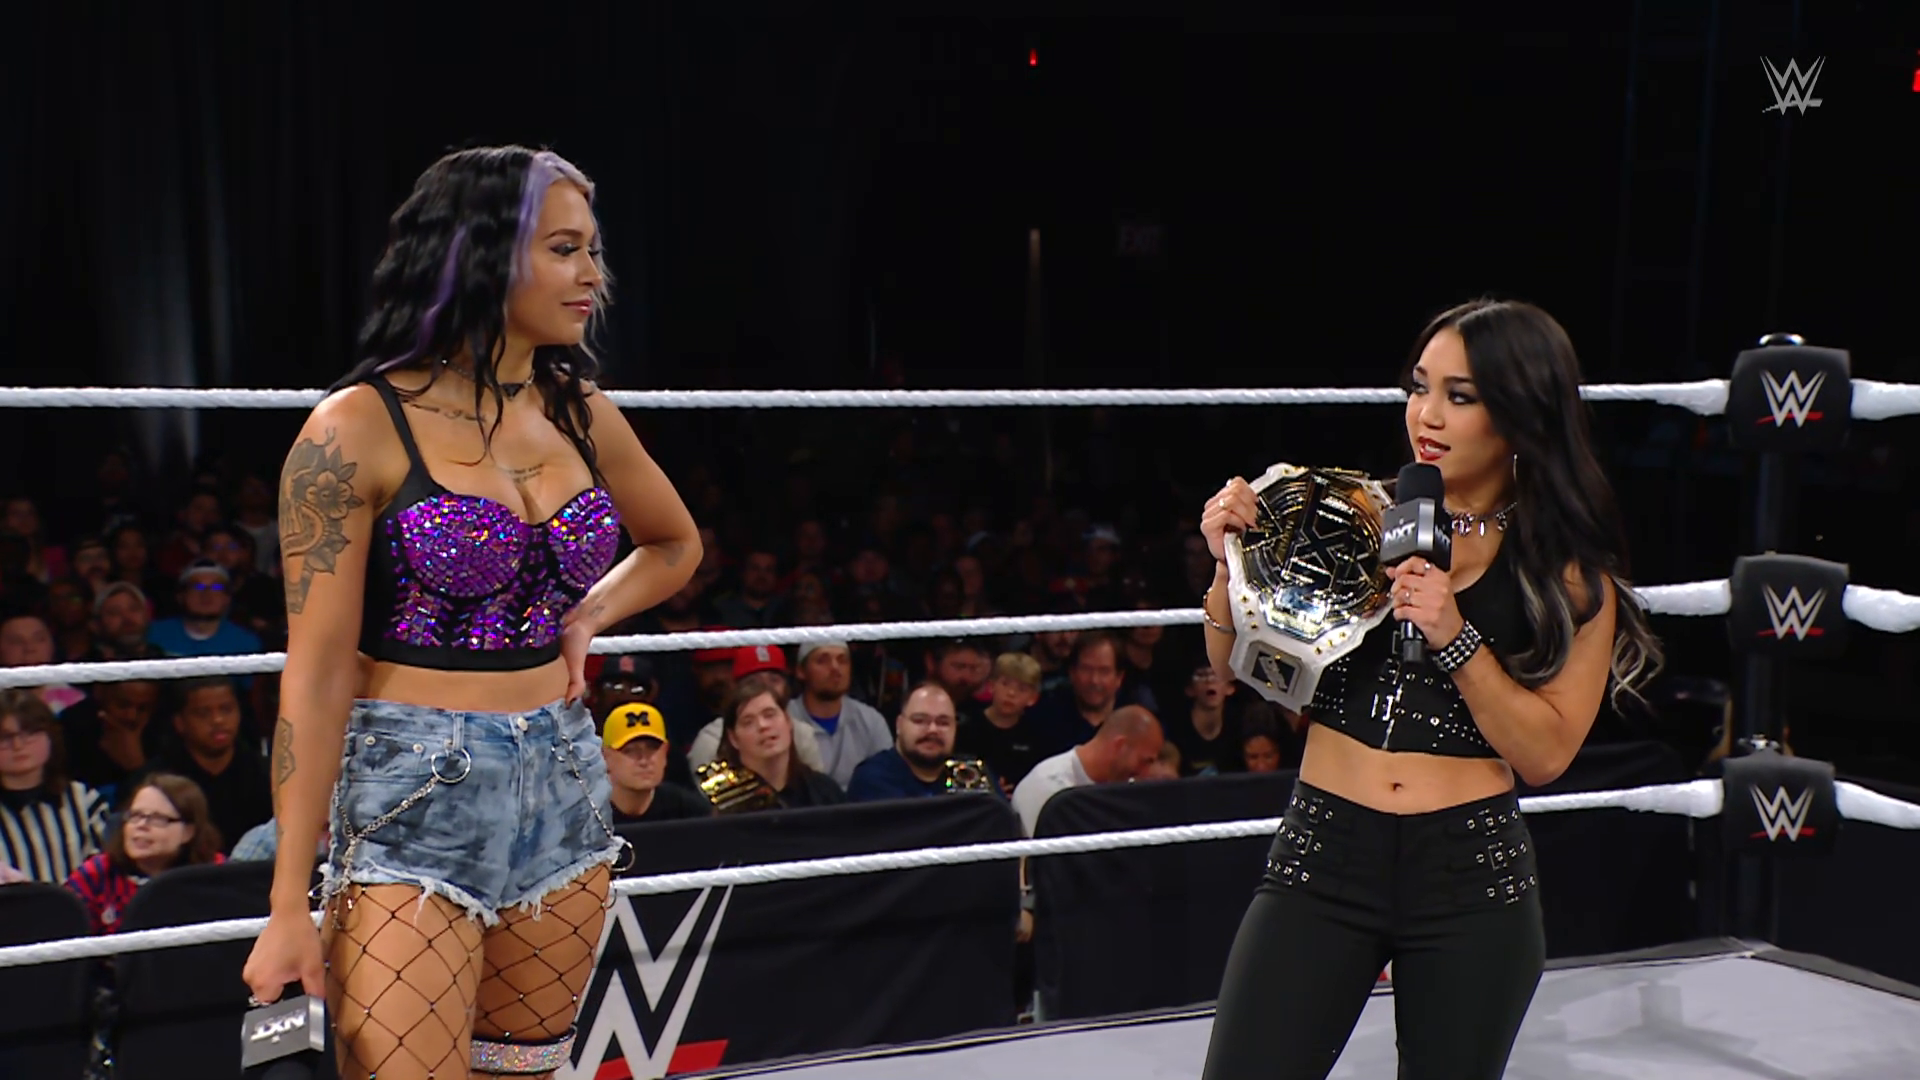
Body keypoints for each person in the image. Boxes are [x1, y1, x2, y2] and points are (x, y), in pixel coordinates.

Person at [241, 145, 702, 1080]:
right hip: (414, 786)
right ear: (482, 255)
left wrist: (586, 616)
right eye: (565, 249)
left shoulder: (578, 409)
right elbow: (317, 673)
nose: (593, 275)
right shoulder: (354, 427)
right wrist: (288, 901)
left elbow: (673, 544)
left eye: (593, 249)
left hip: (565, 776)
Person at [1196, 298, 1662, 1080]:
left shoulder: (1566, 573)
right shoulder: (1350, 516)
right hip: (1325, 855)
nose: (1427, 415)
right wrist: (1228, 566)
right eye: (1419, 387)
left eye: (1460, 395)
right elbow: (1237, 670)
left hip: (1468, 877)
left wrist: (1455, 635)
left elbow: (1545, 755)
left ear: (1520, 414)